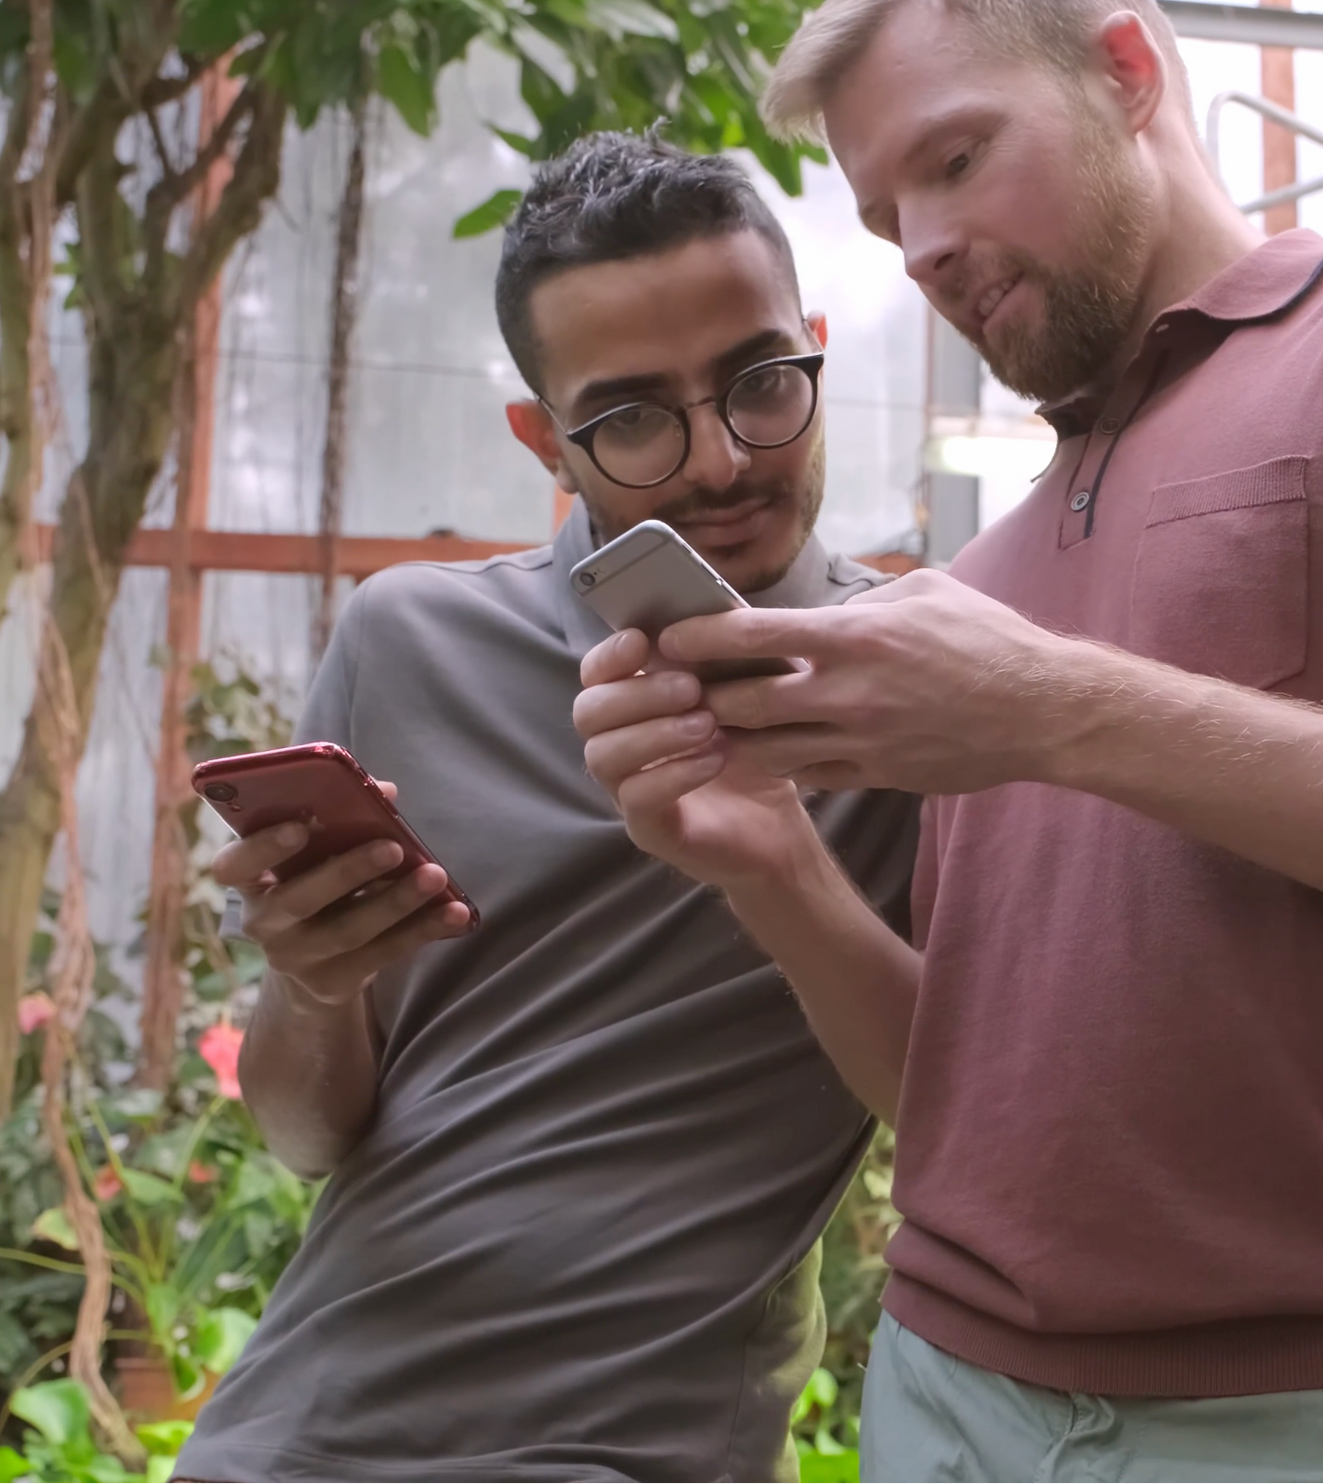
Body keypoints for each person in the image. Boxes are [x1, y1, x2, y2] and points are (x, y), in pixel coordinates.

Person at [571, 2, 1323, 1480]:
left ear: (1128, 72)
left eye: (958, 154)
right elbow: (957, 1119)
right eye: (884, 213)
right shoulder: (981, 585)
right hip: (943, 1396)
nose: (920, 245)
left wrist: (1056, 709)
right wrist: (771, 864)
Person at [171, 132, 917, 1484]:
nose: (716, 464)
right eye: (632, 418)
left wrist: (778, 859)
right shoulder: (409, 644)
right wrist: (314, 989)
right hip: (293, 1440)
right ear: (543, 438)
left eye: (759, 384)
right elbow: (302, 1134)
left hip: (627, 1453)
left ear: (813, 349)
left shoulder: (922, 689)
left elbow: (965, 1112)